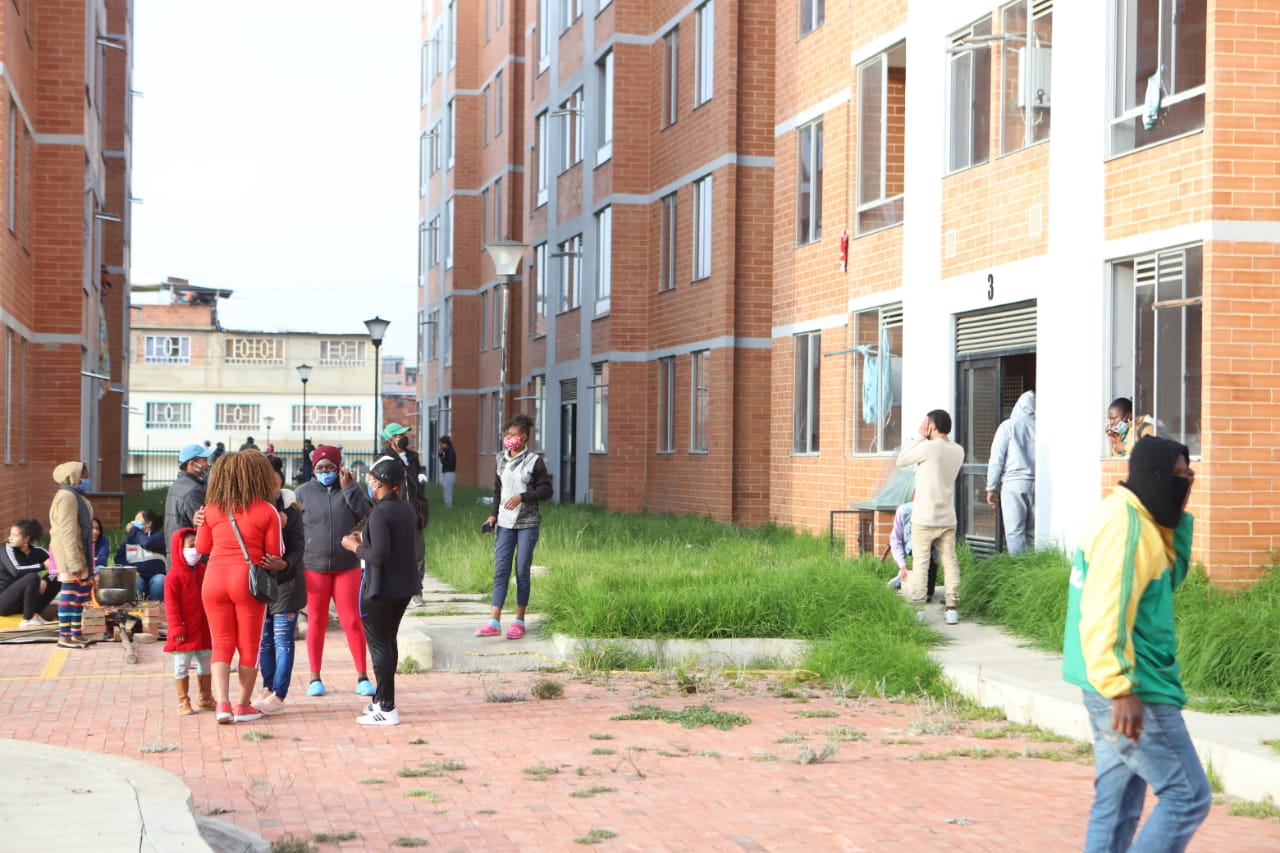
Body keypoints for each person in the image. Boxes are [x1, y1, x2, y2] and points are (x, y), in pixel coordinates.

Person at [1062, 436, 1210, 851]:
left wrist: (1178, 518)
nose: (1185, 483)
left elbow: (1166, 584)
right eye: (1178, 476)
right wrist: (1120, 686)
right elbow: (1104, 610)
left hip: (1107, 681)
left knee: (1117, 808)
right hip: (1134, 684)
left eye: (1189, 475)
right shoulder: (1126, 528)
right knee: (1188, 796)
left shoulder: (1135, 517)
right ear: (1152, 476)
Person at [195, 451, 283, 724]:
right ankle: (242, 705)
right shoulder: (267, 511)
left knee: (221, 644)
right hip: (246, 580)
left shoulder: (209, 510)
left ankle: (222, 704)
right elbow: (274, 553)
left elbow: (201, 548)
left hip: (213, 580)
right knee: (248, 646)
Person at [341, 456, 419, 725]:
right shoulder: (405, 508)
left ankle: (387, 708)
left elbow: (379, 555)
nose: (369, 481)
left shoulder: (379, 513)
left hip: (379, 589)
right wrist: (367, 539)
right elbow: (392, 544)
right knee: (389, 641)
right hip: (403, 587)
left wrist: (354, 547)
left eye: (372, 477)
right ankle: (381, 698)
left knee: (380, 646)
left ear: (383, 482)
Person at [294, 444, 375, 697]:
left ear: (339, 467)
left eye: (330, 467)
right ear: (313, 468)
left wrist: (349, 487)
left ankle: (362, 676)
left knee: (352, 620)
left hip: (346, 566)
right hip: (313, 567)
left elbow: (368, 513)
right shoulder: (303, 492)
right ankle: (314, 678)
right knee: (317, 622)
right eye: (320, 467)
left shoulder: (350, 488)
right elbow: (295, 527)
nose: (325, 471)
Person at [476, 414, 554, 640]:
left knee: (521, 571)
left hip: (527, 523)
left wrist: (523, 496)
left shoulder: (534, 461)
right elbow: (497, 490)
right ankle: (494, 621)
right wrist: (492, 516)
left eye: (513, 434)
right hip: (504, 523)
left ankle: (519, 620)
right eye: (506, 434)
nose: (508, 438)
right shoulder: (500, 459)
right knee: (501, 570)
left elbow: (547, 491)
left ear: (524, 437)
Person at [895, 410, 965, 626]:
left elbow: (901, 460)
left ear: (932, 427)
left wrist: (918, 435)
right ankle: (952, 608)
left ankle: (919, 610)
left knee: (922, 563)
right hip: (947, 518)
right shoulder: (958, 451)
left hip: (924, 518)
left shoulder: (927, 448)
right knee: (950, 562)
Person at [253, 479, 307, 716]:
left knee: (283, 640)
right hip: (259, 584)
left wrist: (284, 563)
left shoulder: (290, 510)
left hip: (287, 582)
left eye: (273, 478)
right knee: (263, 641)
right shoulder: (248, 508)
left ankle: (279, 693)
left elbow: (298, 547)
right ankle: (268, 688)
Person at [163, 527, 214, 715]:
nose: (195, 550)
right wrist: (176, 627)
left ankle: (205, 696)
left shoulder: (204, 570)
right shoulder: (173, 576)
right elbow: (171, 606)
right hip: (183, 632)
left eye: (197, 545)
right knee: (181, 665)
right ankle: (183, 700)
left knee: (206, 663)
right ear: (180, 548)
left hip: (203, 629)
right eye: (190, 545)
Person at [49, 461, 96, 649]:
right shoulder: (67, 497)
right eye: (84, 475)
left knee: (82, 592)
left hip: (79, 548)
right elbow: (67, 531)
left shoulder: (77, 496)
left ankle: (76, 633)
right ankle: (64, 635)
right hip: (70, 551)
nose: (86, 479)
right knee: (70, 592)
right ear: (73, 477)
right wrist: (74, 561)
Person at [381, 423, 429, 605]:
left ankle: (417, 591)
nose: (403, 437)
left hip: (415, 510)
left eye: (404, 433)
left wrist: (421, 476)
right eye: (399, 434)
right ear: (391, 439)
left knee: (418, 552)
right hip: (395, 509)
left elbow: (418, 473)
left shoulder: (412, 457)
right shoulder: (385, 459)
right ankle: (395, 589)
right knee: (393, 551)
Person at [985, 390, 1036, 555]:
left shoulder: (1008, 426)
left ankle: (1019, 572)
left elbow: (996, 459)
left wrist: (991, 487)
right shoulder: (1041, 425)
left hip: (1013, 483)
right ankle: (1035, 569)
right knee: (1033, 533)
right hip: (1037, 483)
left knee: (1015, 533)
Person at [0, 518, 60, 627]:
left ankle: (37, 614)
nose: (10, 538)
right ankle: (28, 620)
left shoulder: (37, 551)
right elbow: (16, 571)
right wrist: (42, 566)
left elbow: (56, 566)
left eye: (15, 535)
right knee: (32, 578)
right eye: (10, 534)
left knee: (56, 579)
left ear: (26, 539)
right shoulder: (7, 549)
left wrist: (46, 580)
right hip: (3, 603)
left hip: (21, 603)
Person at [165, 443, 215, 547]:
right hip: (189, 553)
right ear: (192, 463)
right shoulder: (194, 490)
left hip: (175, 548)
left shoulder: (176, 485)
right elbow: (201, 526)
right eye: (204, 460)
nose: (207, 464)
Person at [886, 502, 937, 603]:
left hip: (931, 548)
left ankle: (910, 578)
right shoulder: (903, 511)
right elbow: (896, 540)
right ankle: (904, 577)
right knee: (920, 594)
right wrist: (902, 565)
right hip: (913, 547)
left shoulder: (937, 512)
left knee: (928, 594)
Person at [116, 508, 168, 601]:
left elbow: (147, 543)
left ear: (148, 523)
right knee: (134, 581)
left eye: (137, 520)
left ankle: (156, 610)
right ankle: (136, 611)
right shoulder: (128, 540)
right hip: (137, 576)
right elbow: (119, 559)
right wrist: (130, 570)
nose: (133, 522)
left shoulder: (159, 536)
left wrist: (133, 530)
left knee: (160, 580)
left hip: (156, 575)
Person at [437, 435, 457, 509]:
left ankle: (448, 506)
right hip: (447, 473)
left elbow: (450, 464)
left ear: (446, 444)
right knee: (446, 489)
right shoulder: (448, 451)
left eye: (442, 444)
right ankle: (447, 505)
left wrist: (442, 457)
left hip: (449, 473)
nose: (441, 446)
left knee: (448, 490)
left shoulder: (451, 452)